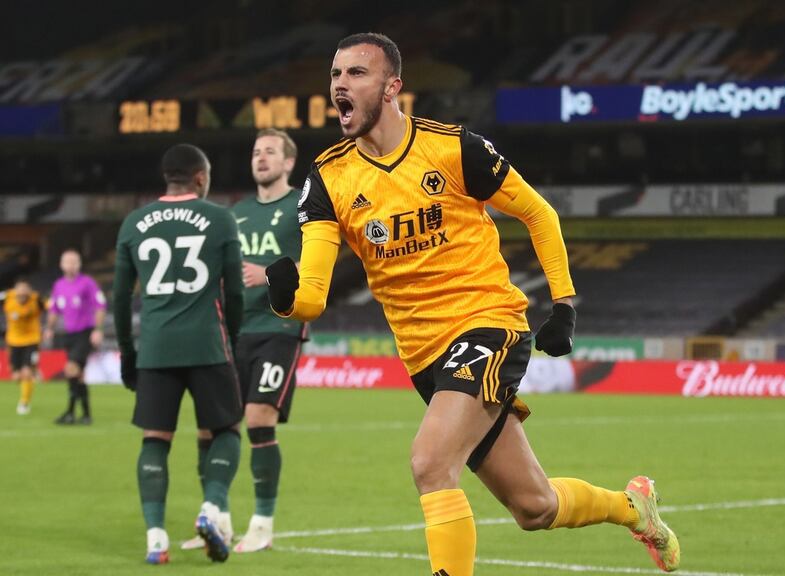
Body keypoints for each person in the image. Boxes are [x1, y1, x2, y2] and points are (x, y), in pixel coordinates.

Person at [265, 33, 680, 574]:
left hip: (488, 324)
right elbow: (313, 296)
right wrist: (286, 299)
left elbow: (539, 214)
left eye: (356, 74)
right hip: (424, 358)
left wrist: (564, 305)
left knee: (430, 462)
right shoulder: (327, 177)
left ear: (393, 87)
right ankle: (635, 510)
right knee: (534, 506)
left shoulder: (454, 148)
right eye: (335, 75)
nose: (340, 84)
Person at [113, 143, 245, 564]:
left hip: (154, 348)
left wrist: (127, 354)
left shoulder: (134, 223)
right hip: (207, 343)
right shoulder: (220, 219)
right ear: (201, 178)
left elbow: (119, 299)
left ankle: (156, 538)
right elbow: (236, 291)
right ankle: (211, 508)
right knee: (225, 431)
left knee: (155, 439)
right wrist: (233, 341)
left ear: (166, 176)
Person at [181, 128, 306, 554]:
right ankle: (217, 518)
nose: (261, 157)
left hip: (279, 328)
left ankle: (263, 524)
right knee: (210, 425)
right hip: (232, 331)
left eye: (271, 151)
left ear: (289, 163)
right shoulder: (236, 213)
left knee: (257, 418)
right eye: (256, 151)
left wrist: (270, 273)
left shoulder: (302, 208)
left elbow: (319, 263)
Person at [44, 249, 105, 425]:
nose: (71, 265)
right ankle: (84, 415)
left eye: (74, 261)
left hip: (85, 333)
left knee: (71, 368)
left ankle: (72, 412)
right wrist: (49, 328)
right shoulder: (59, 285)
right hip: (69, 334)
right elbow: (54, 310)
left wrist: (98, 329)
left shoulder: (87, 283)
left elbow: (100, 306)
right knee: (77, 375)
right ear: (61, 264)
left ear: (79, 264)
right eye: (67, 261)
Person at [2, 279, 45, 415]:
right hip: (13, 342)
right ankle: (33, 373)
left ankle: (24, 403)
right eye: (19, 289)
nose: (22, 292)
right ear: (14, 290)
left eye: (25, 289)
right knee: (16, 376)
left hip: (32, 341)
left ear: (29, 291)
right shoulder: (7, 297)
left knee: (26, 373)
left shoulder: (36, 299)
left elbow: (52, 307)